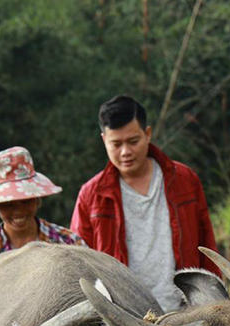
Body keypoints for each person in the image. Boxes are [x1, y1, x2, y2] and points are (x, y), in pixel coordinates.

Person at [70, 95, 219, 310]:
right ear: (104, 140)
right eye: (116, 144)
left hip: (186, 311)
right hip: (125, 318)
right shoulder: (91, 196)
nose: (125, 152)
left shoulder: (184, 180)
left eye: (133, 141)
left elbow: (207, 248)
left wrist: (213, 304)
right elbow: (79, 265)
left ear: (147, 134)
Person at [0, 147, 86, 267]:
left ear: (37, 199)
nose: (18, 210)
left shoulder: (68, 242)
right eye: (8, 204)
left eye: (26, 201)